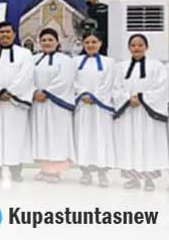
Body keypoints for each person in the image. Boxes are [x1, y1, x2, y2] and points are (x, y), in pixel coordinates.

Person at [111, 34, 169, 191]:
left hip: (148, 113)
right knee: (130, 143)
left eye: (140, 45)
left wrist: (142, 98)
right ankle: (133, 179)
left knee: (148, 144)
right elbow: (115, 87)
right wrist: (127, 98)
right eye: (133, 45)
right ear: (129, 48)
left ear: (146, 47)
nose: (136, 48)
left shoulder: (156, 66)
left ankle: (149, 180)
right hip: (128, 111)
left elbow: (162, 87)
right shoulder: (121, 67)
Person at [0, 22, 34, 181]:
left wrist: (11, 92)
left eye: (8, 32)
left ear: (14, 34)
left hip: (15, 104)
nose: (5, 35)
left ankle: (16, 170)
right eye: (1, 32)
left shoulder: (25, 54)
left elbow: (26, 75)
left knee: (16, 136)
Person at [31, 28, 76, 183]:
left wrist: (47, 92)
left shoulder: (66, 60)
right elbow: (26, 78)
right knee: (42, 135)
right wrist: (34, 91)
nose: (47, 43)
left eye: (50, 40)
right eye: (43, 40)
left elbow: (65, 80)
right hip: (39, 104)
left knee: (57, 135)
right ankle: (44, 168)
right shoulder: (33, 59)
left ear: (57, 42)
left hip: (57, 105)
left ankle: (55, 170)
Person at [73, 32, 116, 187]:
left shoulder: (109, 62)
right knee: (83, 137)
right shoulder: (75, 62)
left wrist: (95, 97)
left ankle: (102, 173)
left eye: (94, 42)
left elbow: (109, 83)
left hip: (101, 107)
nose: (90, 45)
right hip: (83, 106)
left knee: (102, 138)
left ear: (100, 43)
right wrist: (83, 94)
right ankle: (85, 172)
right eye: (87, 42)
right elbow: (73, 81)